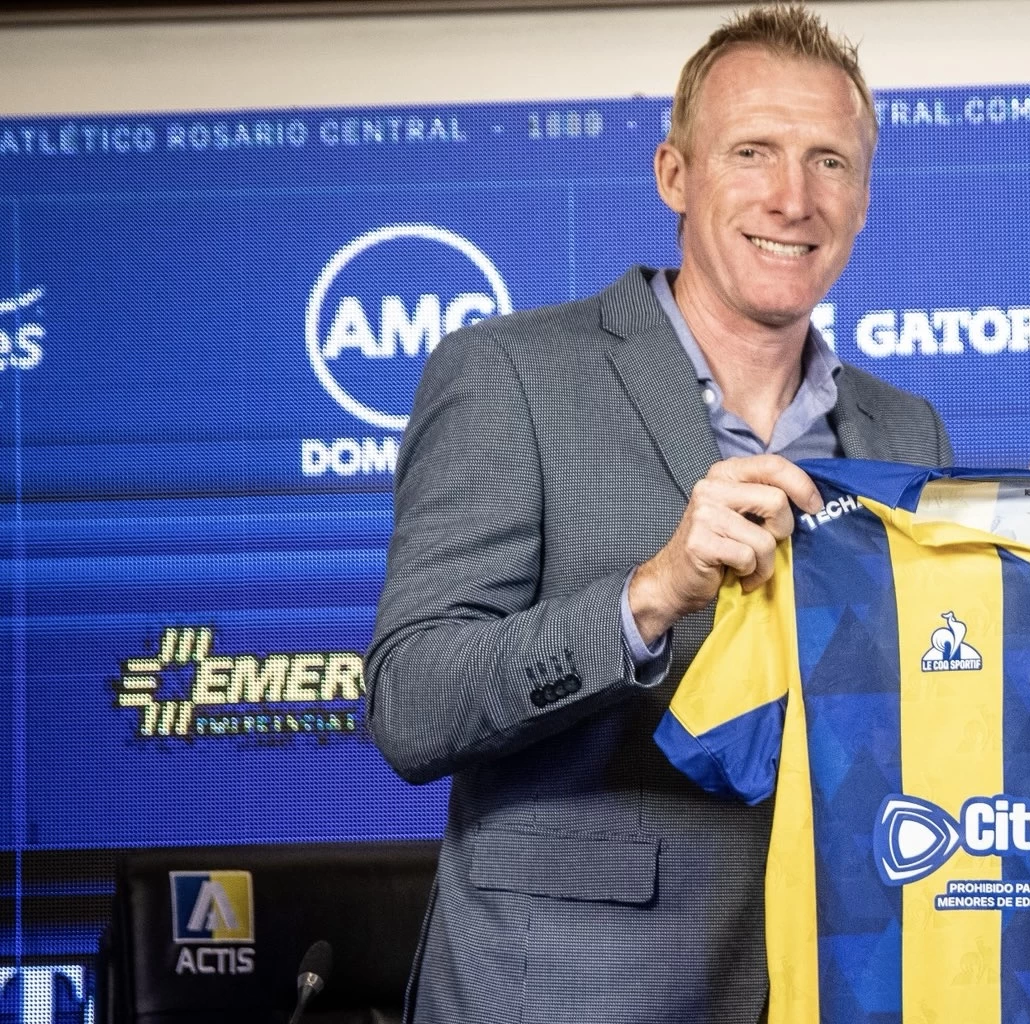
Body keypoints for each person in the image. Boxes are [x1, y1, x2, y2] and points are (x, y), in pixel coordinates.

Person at [365, 7, 950, 1022]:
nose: (793, 197)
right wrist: (647, 596)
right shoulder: (509, 373)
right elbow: (412, 707)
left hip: (836, 979)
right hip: (571, 989)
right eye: (752, 152)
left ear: (862, 196)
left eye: (829, 161)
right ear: (674, 174)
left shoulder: (906, 430)